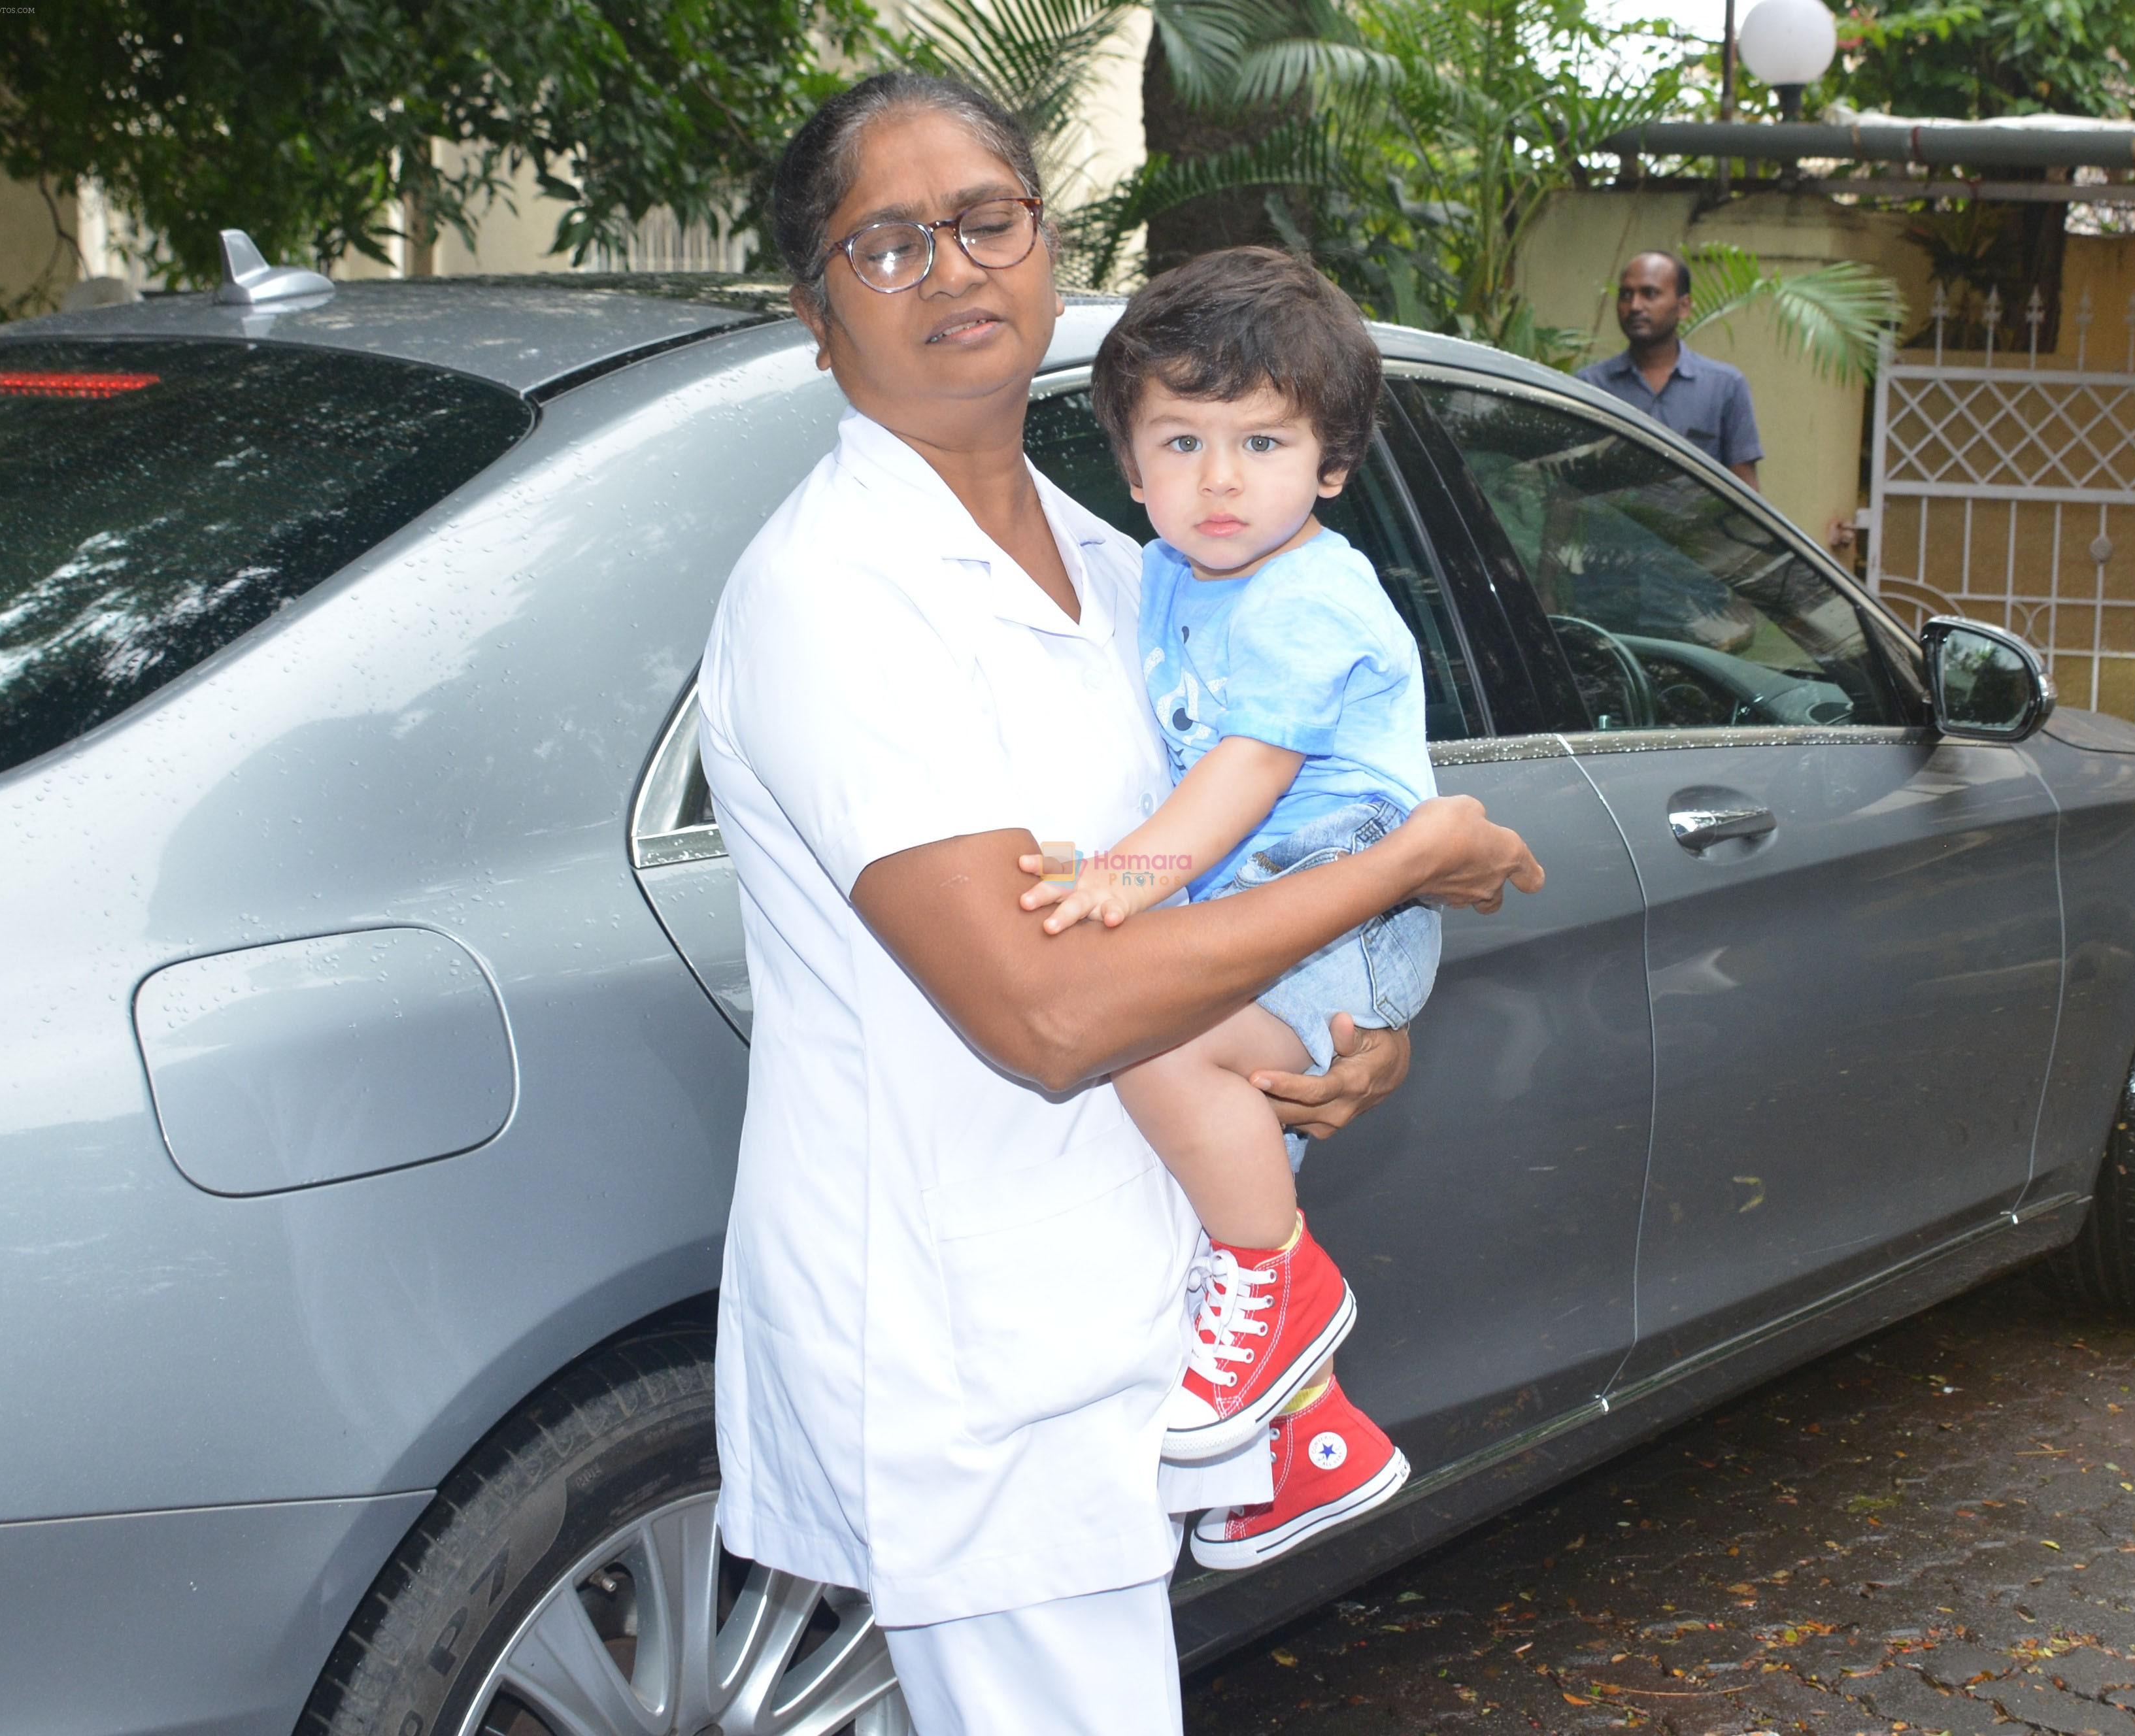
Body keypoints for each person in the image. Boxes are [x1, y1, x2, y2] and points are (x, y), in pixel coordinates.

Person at [696, 71, 1543, 1736]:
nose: (952, 268)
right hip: (967, 1341)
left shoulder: (1127, 559)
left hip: (1119, 1305)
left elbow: (1231, 875)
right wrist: (1404, 864)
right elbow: (1051, 1010)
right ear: (815, 316)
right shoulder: (836, 599)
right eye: (885, 242)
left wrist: (1344, 1035)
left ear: (1051, 247)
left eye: (986, 219)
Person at [1014, 246, 1438, 1571]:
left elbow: (1247, 770)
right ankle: (1312, 1441)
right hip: (1272, 904)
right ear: (1129, 466)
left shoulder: (1310, 592)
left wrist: (1123, 877)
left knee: (1158, 1034)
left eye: (1260, 441)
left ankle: (1287, 1285)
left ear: (1328, 464)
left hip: (1336, 904)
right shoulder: (1174, 575)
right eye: (1180, 439)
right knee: (1209, 1153)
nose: (1216, 478)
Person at [1577, 250, 1763, 488]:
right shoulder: (1590, 386)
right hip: (1611, 524)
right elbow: (1571, 485)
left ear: (1683, 306)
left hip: (1696, 525)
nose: (1634, 306)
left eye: (1650, 294)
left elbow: (1744, 487)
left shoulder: (1724, 386)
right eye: (1626, 295)